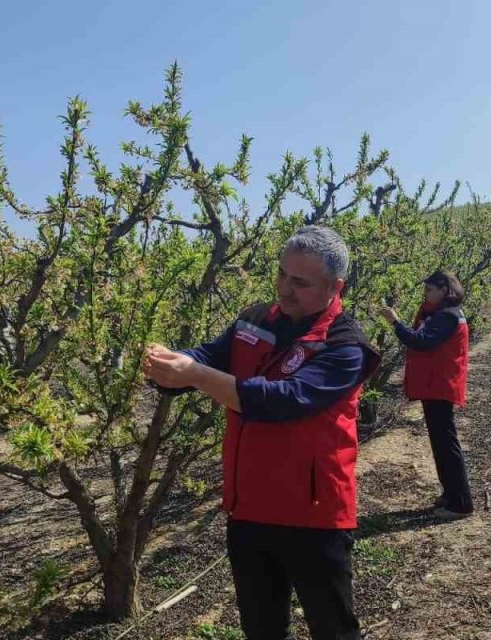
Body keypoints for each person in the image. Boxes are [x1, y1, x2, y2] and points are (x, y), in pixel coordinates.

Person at [143, 225, 379, 640]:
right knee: (262, 628)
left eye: (300, 282)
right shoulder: (254, 320)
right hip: (249, 508)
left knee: (333, 628)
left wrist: (195, 374)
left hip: (313, 514)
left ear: (334, 286)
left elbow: (283, 401)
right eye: (282, 275)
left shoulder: (345, 346)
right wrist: (171, 365)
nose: (285, 290)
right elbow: (211, 354)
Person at [379, 269, 474, 519]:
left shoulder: (447, 317)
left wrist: (394, 321)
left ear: (445, 290)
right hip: (436, 384)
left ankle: (461, 503)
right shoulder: (441, 314)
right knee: (440, 442)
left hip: (440, 385)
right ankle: (451, 494)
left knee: (446, 443)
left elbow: (419, 341)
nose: (425, 295)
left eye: (430, 290)